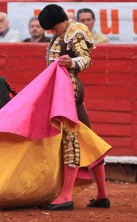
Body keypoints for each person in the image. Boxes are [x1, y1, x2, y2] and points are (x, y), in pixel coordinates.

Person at [38, 4, 110, 210]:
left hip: (69, 91)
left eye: (53, 28)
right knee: (88, 139)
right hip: (62, 92)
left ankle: (66, 196)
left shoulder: (76, 30)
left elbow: (87, 59)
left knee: (70, 137)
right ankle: (103, 195)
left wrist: (73, 63)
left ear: (61, 21)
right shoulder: (61, 34)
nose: (52, 32)